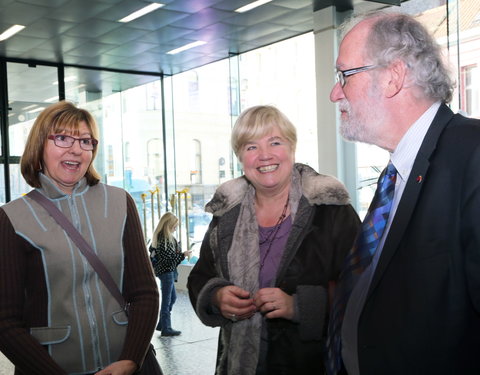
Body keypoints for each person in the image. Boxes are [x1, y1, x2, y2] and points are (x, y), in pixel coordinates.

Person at [328, 10, 480, 375]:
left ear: (393, 77)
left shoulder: (473, 156)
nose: (335, 93)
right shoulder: (397, 173)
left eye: (344, 76)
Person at [187, 105, 360, 375]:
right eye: (251, 147)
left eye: (275, 142)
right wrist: (216, 296)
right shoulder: (226, 214)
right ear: (240, 157)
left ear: (292, 148)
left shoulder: (329, 208)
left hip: (315, 363)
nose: (264, 155)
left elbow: (363, 288)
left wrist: (301, 306)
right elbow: (200, 277)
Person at [0, 101, 160, 375]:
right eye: (62, 138)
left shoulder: (119, 202)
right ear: (40, 145)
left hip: (125, 362)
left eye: (85, 141)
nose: (75, 148)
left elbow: (144, 291)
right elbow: (5, 320)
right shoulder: (12, 217)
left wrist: (131, 359)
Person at [149, 212, 191, 336]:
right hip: (167, 272)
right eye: (174, 225)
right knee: (167, 300)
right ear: (169, 225)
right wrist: (183, 255)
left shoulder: (161, 237)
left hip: (166, 272)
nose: (175, 228)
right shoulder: (165, 239)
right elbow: (169, 259)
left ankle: (162, 324)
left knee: (172, 298)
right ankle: (166, 328)